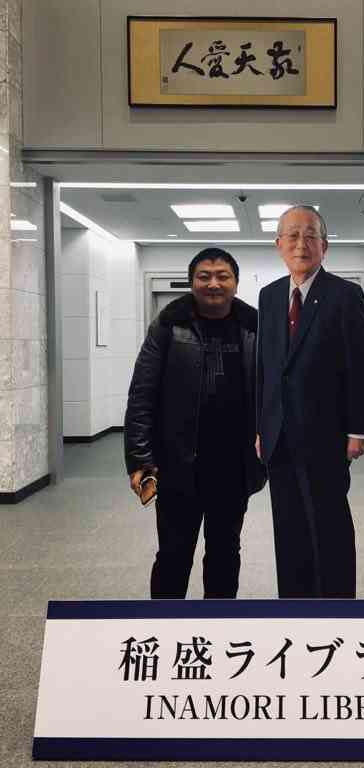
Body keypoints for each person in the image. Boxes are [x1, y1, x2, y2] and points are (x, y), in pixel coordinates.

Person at [124, 247, 266, 599]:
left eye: (222, 276)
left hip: (234, 467)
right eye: (204, 276)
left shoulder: (255, 327)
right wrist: (140, 459)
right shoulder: (168, 325)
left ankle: (218, 624)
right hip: (177, 466)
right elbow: (142, 393)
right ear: (192, 283)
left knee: (225, 553)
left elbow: (272, 392)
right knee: (173, 554)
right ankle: (165, 624)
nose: (214, 283)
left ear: (235, 283)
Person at [256, 205, 364, 599]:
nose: (301, 244)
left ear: (325, 246)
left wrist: (358, 429)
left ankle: (338, 609)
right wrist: (260, 427)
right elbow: (266, 367)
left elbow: (362, 365)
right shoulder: (269, 296)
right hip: (278, 436)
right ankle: (294, 606)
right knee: (288, 529)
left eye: (310, 235)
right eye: (292, 235)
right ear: (278, 244)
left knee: (328, 527)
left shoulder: (345, 295)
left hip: (327, 436)